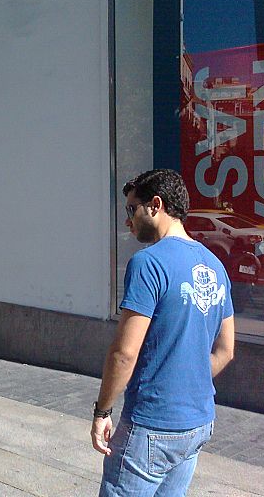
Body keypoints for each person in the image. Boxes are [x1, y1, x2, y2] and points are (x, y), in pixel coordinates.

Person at [92, 169, 235, 496]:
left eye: (132, 209)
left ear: (155, 205)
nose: (128, 221)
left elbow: (124, 354)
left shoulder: (148, 263)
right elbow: (226, 350)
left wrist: (102, 411)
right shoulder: (215, 265)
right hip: (198, 421)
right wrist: (189, 381)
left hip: (151, 423)